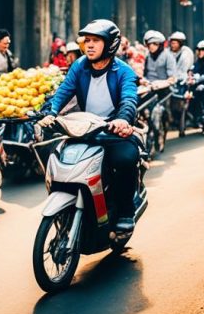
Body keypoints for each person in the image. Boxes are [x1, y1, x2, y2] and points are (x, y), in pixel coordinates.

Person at [38, 19, 139, 233]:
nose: (89, 45)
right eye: (87, 40)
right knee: (56, 154)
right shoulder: (79, 66)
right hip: (84, 128)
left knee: (125, 159)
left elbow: (129, 99)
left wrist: (122, 119)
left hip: (113, 131)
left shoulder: (124, 71)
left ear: (110, 44)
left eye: (96, 40)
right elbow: (64, 92)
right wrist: (50, 113)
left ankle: (125, 211)